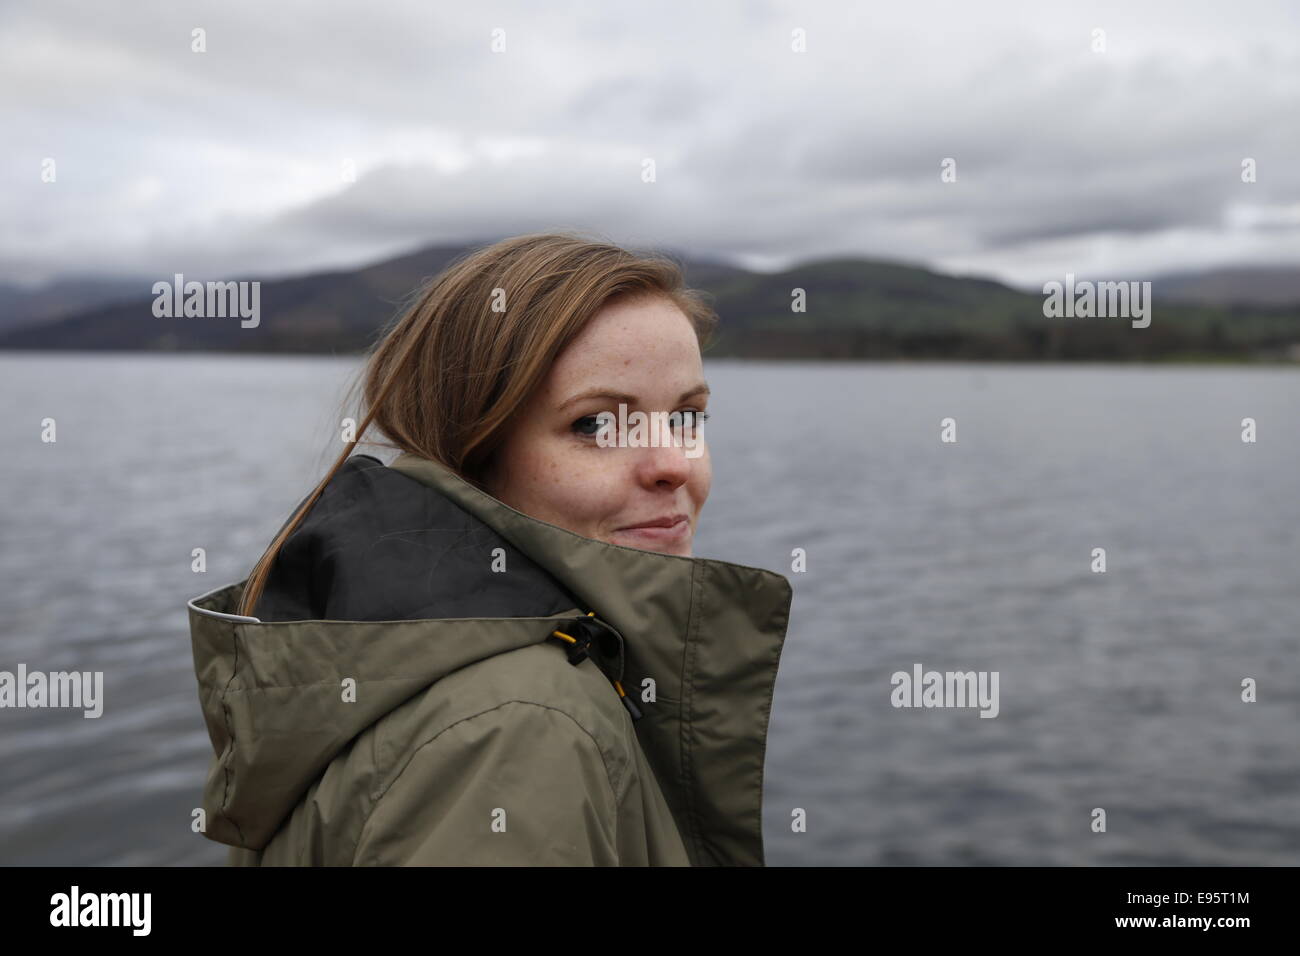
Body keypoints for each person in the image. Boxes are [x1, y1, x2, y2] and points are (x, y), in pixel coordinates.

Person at [187, 232, 793, 866]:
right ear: (471, 451)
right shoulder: (518, 728)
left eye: (686, 417)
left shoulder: (406, 650)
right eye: (598, 424)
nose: (674, 463)